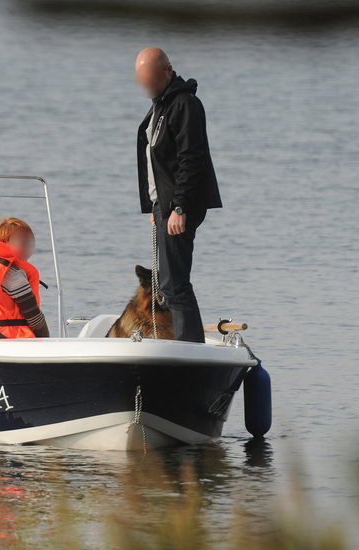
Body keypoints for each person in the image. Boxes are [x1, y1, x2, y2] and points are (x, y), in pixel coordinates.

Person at [135, 47, 222, 343]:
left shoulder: (184, 104)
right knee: (168, 283)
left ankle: (190, 348)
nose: (146, 87)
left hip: (180, 206)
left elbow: (191, 159)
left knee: (174, 285)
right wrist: (155, 205)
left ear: (168, 70)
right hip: (165, 206)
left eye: (151, 80)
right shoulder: (161, 104)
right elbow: (159, 161)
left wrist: (179, 207)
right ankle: (182, 341)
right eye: (141, 81)